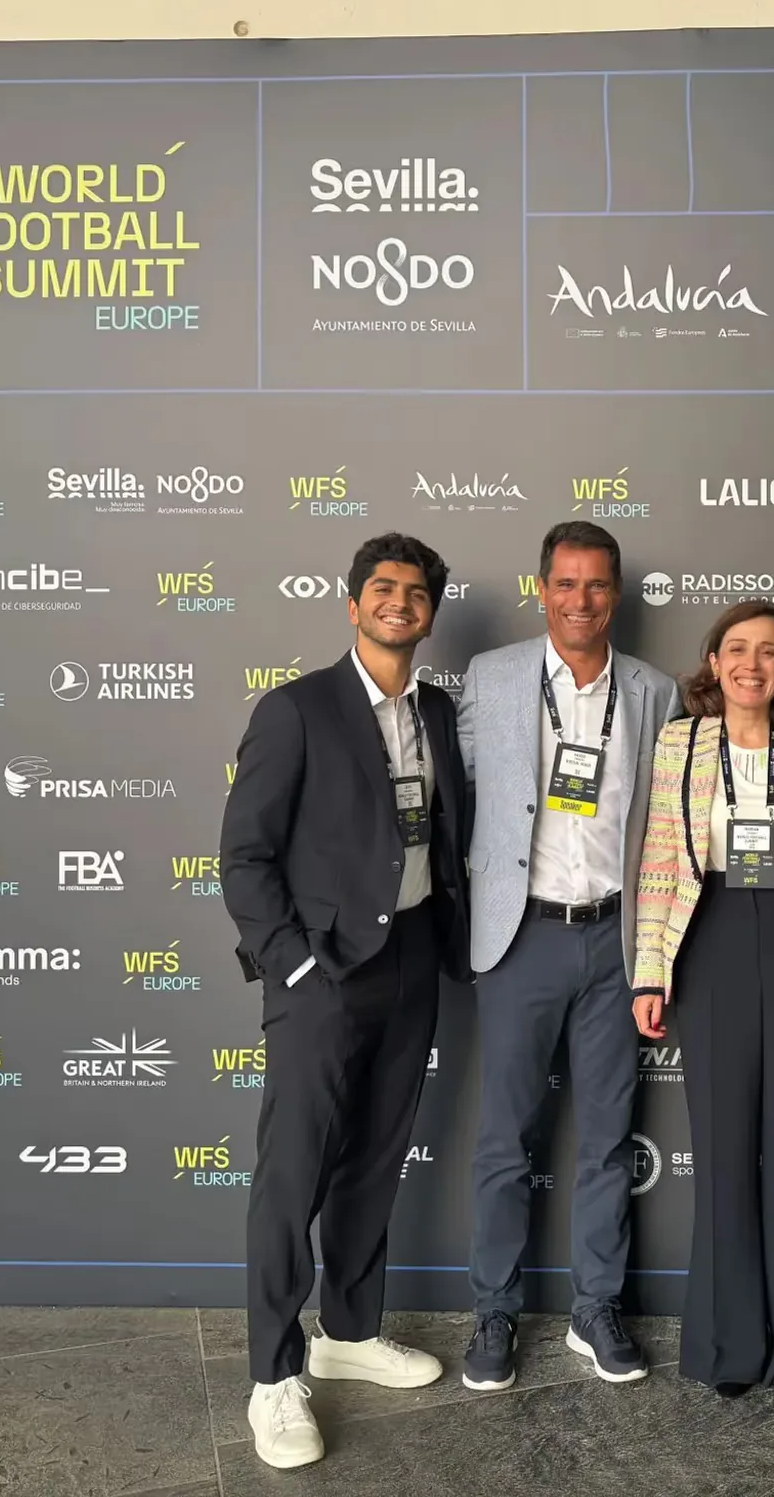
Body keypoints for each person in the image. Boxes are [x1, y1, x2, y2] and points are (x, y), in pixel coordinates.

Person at [219, 533, 472, 1471]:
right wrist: (289, 966)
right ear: (354, 602)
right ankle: (273, 1377)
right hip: (322, 972)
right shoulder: (297, 709)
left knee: (375, 1154)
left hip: (411, 955)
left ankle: (350, 1331)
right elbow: (243, 855)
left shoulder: (438, 713)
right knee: (295, 1171)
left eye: (415, 592)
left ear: (431, 611)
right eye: (382, 588)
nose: (399, 602)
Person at [457, 520, 680, 1392]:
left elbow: (665, 826)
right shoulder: (495, 677)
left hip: (615, 940)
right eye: (565, 584)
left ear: (614, 595)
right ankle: (494, 1314)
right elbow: (457, 795)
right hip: (519, 939)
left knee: (606, 1140)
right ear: (541, 588)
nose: (579, 601)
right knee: (505, 1140)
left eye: (596, 586)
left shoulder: (654, 691)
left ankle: (596, 1308)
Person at [631, 602, 774, 1402]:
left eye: (769, 652)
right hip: (711, 934)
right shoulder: (681, 743)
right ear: (713, 660)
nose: (752, 664)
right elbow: (661, 855)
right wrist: (649, 974)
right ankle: (732, 1335)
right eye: (737, 649)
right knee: (724, 1143)